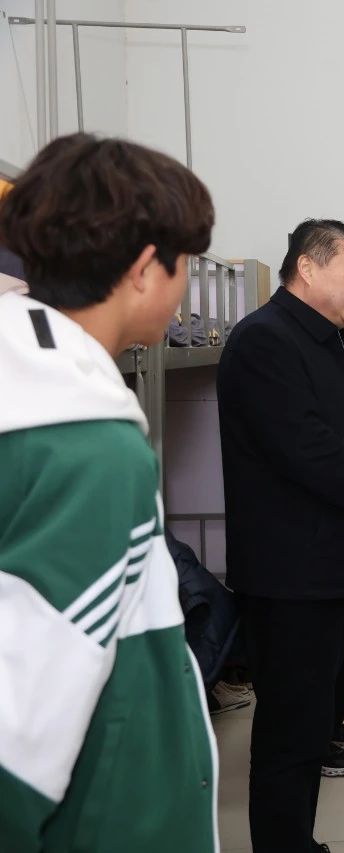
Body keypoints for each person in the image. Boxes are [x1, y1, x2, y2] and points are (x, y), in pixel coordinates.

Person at [0, 133, 219, 853]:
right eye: (184, 264)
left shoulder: (23, 377)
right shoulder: (88, 446)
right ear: (146, 269)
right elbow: (16, 737)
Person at [219, 219, 344, 850]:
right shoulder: (265, 340)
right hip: (293, 575)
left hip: (335, 566)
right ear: (307, 267)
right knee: (290, 734)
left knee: (312, 727)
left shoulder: (337, 343)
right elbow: (307, 447)